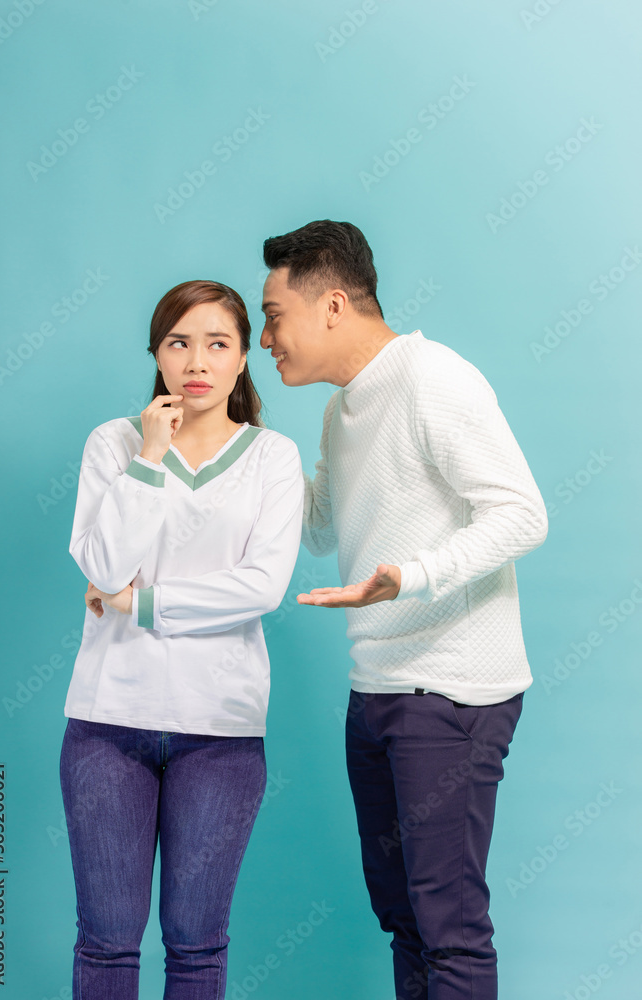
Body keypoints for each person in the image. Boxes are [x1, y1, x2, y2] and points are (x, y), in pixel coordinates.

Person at [259, 220, 548, 1000]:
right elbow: (321, 528)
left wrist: (410, 576)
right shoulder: (341, 410)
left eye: (273, 315)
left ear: (331, 305)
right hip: (377, 688)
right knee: (405, 921)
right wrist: (245, 445)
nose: (263, 339)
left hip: (447, 692)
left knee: (447, 927)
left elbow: (522, 513)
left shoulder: (432, 379)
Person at [59, 279, 304, 1000]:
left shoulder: (272, 458)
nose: (196, 359)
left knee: (197, 948)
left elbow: (259, 588)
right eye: (178, 342)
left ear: (241, 360)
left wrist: (137, 605)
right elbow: (101, 564)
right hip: (108, 724)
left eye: (216, 343)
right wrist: (150, 457)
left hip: (219, 731)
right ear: (157, 354)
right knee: (105, 945)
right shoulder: (113, 443)